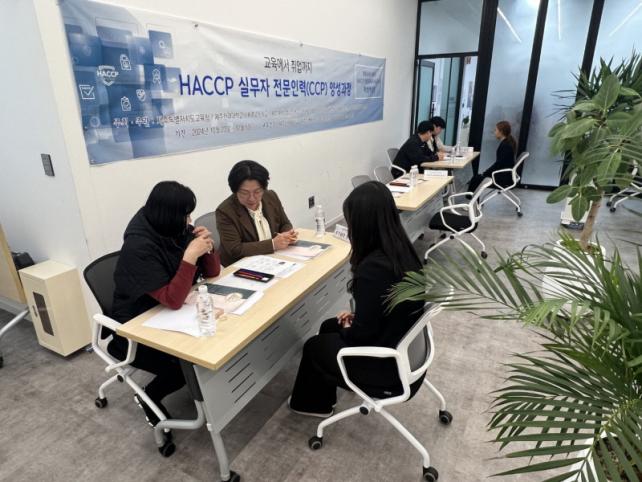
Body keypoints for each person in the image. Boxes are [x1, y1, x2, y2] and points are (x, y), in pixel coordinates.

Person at [288, 181, 425, 417]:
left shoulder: (373, 269)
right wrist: (356, 318)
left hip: (386, 365)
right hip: (399, 342)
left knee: (313, 346)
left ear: (363, 224)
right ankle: (320, 396)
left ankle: (310, 405)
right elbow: (384, 307)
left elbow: (363, 335)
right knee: (328, 326)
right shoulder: (402, 250)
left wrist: (350, 326)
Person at [110, 181, 221, 426]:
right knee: (185, 364)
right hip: (136, 325)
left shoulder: (175, 228)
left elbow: (213, 273)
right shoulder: (139, 246)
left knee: (217, 338)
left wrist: (208, 248)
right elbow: (172, 300)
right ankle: (150, 395)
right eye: (185, 215)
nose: (189, 221)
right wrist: (190, 256)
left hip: (168, 313)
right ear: (169, 215)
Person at [216, 160, 297, 266]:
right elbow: (235, 249)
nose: (252, 198)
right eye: (244, 193)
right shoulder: (225, 211)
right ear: (235, 190)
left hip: (274, 259)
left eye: (257, 191)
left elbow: (285, 223)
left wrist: (287, 236)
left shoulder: (271, 196)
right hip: (242, 265)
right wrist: (273, 244)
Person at [468, 120, 517, 193]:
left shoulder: (505, 146)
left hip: (503, 178)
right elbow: (499, 164)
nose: (494, 132)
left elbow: (498, 164)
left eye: (495, 130)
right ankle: (473, 198)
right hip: (505, 175)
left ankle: (471, 198)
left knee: (475, 179)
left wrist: (485, 173)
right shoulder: (507, 143)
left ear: (501, 132)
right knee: (477, 178)